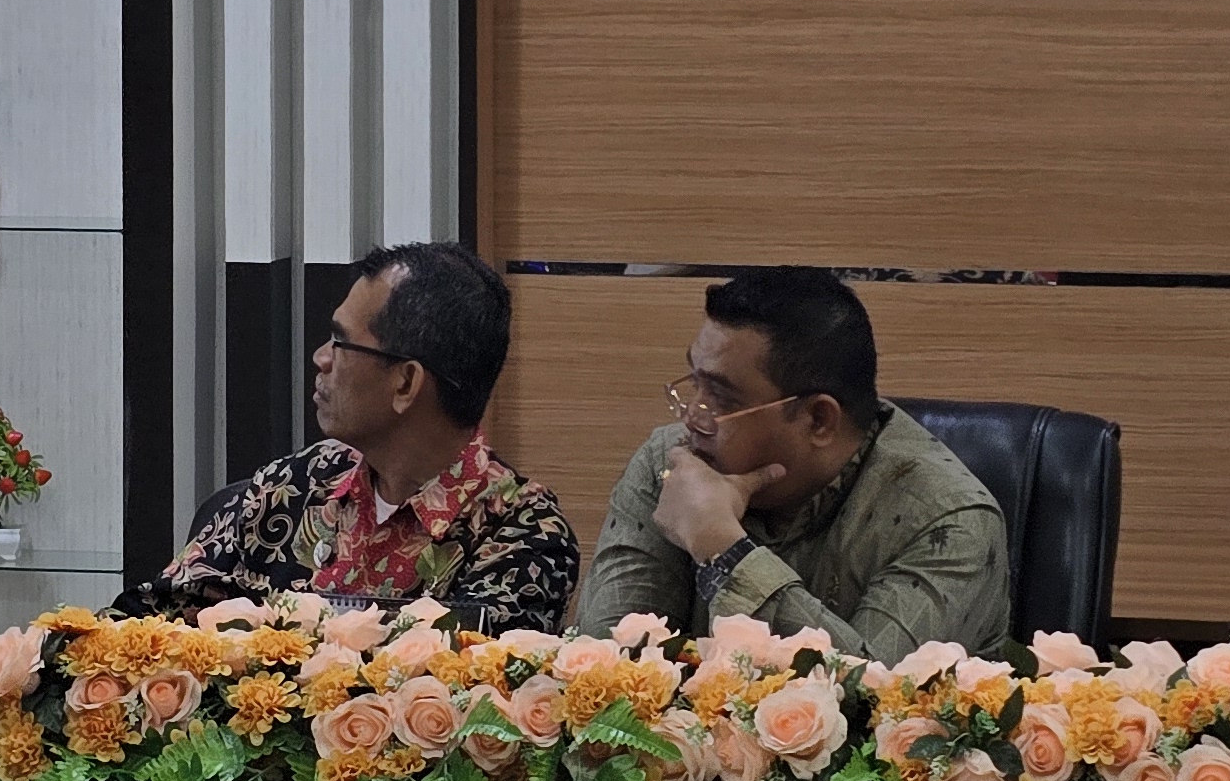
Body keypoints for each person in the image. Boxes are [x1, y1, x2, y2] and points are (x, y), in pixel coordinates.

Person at [141, 243, 579, 635]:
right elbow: (148, 626)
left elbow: (468, 687)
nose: (321, 358)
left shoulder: (523, 536)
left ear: (405, 383)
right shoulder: (295, 485)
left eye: (340, 342)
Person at [570, 268, 1008, 659]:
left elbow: (870, 697)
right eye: (695, 383)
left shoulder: (950, 522)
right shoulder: (673, 465)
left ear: (818, 420)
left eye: (721, 397)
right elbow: (604, 665)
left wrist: (722, 548)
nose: (693, 418)